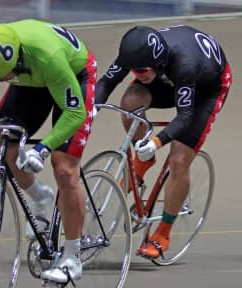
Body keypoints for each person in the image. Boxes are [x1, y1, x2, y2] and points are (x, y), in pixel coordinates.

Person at [0, 20, 97, 285]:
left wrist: (43, 149)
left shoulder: (47, 55)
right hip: (30, 78)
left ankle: (72, 258)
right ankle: (41, 196)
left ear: (14, 58)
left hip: (71, 73)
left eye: (1, 76)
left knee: (64, 169)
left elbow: (75, 112)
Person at [94, 25, 232, 259]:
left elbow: (185, 116)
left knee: (179, 160)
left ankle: (163, 233)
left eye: (142, 70)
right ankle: (142, 163)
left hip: (205, 88)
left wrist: (156, 142)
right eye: (133, 70)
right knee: (130, 103)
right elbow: (106, 82)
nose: (138, 74)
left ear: (156, 61)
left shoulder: (185, 63)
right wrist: (91, 109)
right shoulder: (135, 54)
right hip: (166, 75)